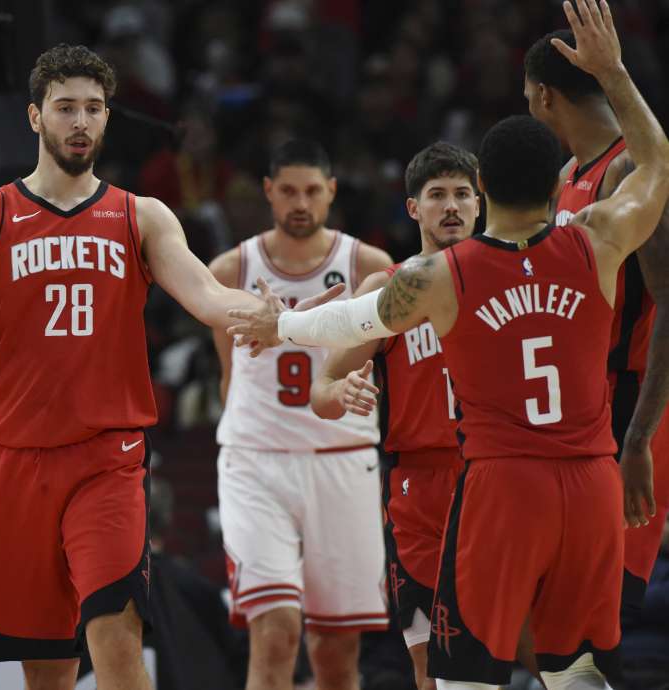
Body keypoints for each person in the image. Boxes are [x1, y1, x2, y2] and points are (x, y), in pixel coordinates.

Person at [225, 1, 669, 686]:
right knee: (578, 672)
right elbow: (657, 160)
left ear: (483, 189)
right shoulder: (598, 240)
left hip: (500, 485)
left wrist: (276, 325)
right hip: (589, 480)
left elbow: (350, 322)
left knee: (460, 673)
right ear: (555, 189)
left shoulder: (445, 274)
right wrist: (614, 74)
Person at [0, 44, 335, 690]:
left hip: (106, 458)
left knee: (116, 641)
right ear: (36, 118)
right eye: (66, 108)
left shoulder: (140, 215)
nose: (81, 122)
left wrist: (271, 316)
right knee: (47, 672)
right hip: (14, 459)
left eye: (93, 109)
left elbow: (206, 295)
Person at [206, 139, 393, 690]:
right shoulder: (229, 267)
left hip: (344, 460)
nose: (300, 202)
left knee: (336, 651)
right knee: (276, 630)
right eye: (287, 190)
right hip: (257, 463)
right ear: (267, 192)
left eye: (312, 190)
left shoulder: (369, 266)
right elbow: (227, 378)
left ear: (332, 192)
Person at [307, 142, 479, 690]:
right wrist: (346, 390)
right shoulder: (388, 289)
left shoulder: (506, 276)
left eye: (461, 194)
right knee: (430, 668)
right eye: (437, 195)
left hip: (491, 476)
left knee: (528, 644)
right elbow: (322, 388)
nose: (450, 206)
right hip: (417, 488)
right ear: (414, 208)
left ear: (480, 205)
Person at [524, 24, 669, 628]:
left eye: (526, 93)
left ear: (543, 96)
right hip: (582, 410)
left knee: (594, 615)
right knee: (549, 612)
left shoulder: (626, 170)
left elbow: (668, 299)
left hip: (633, 405)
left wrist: (638, 437)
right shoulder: (563, 179)